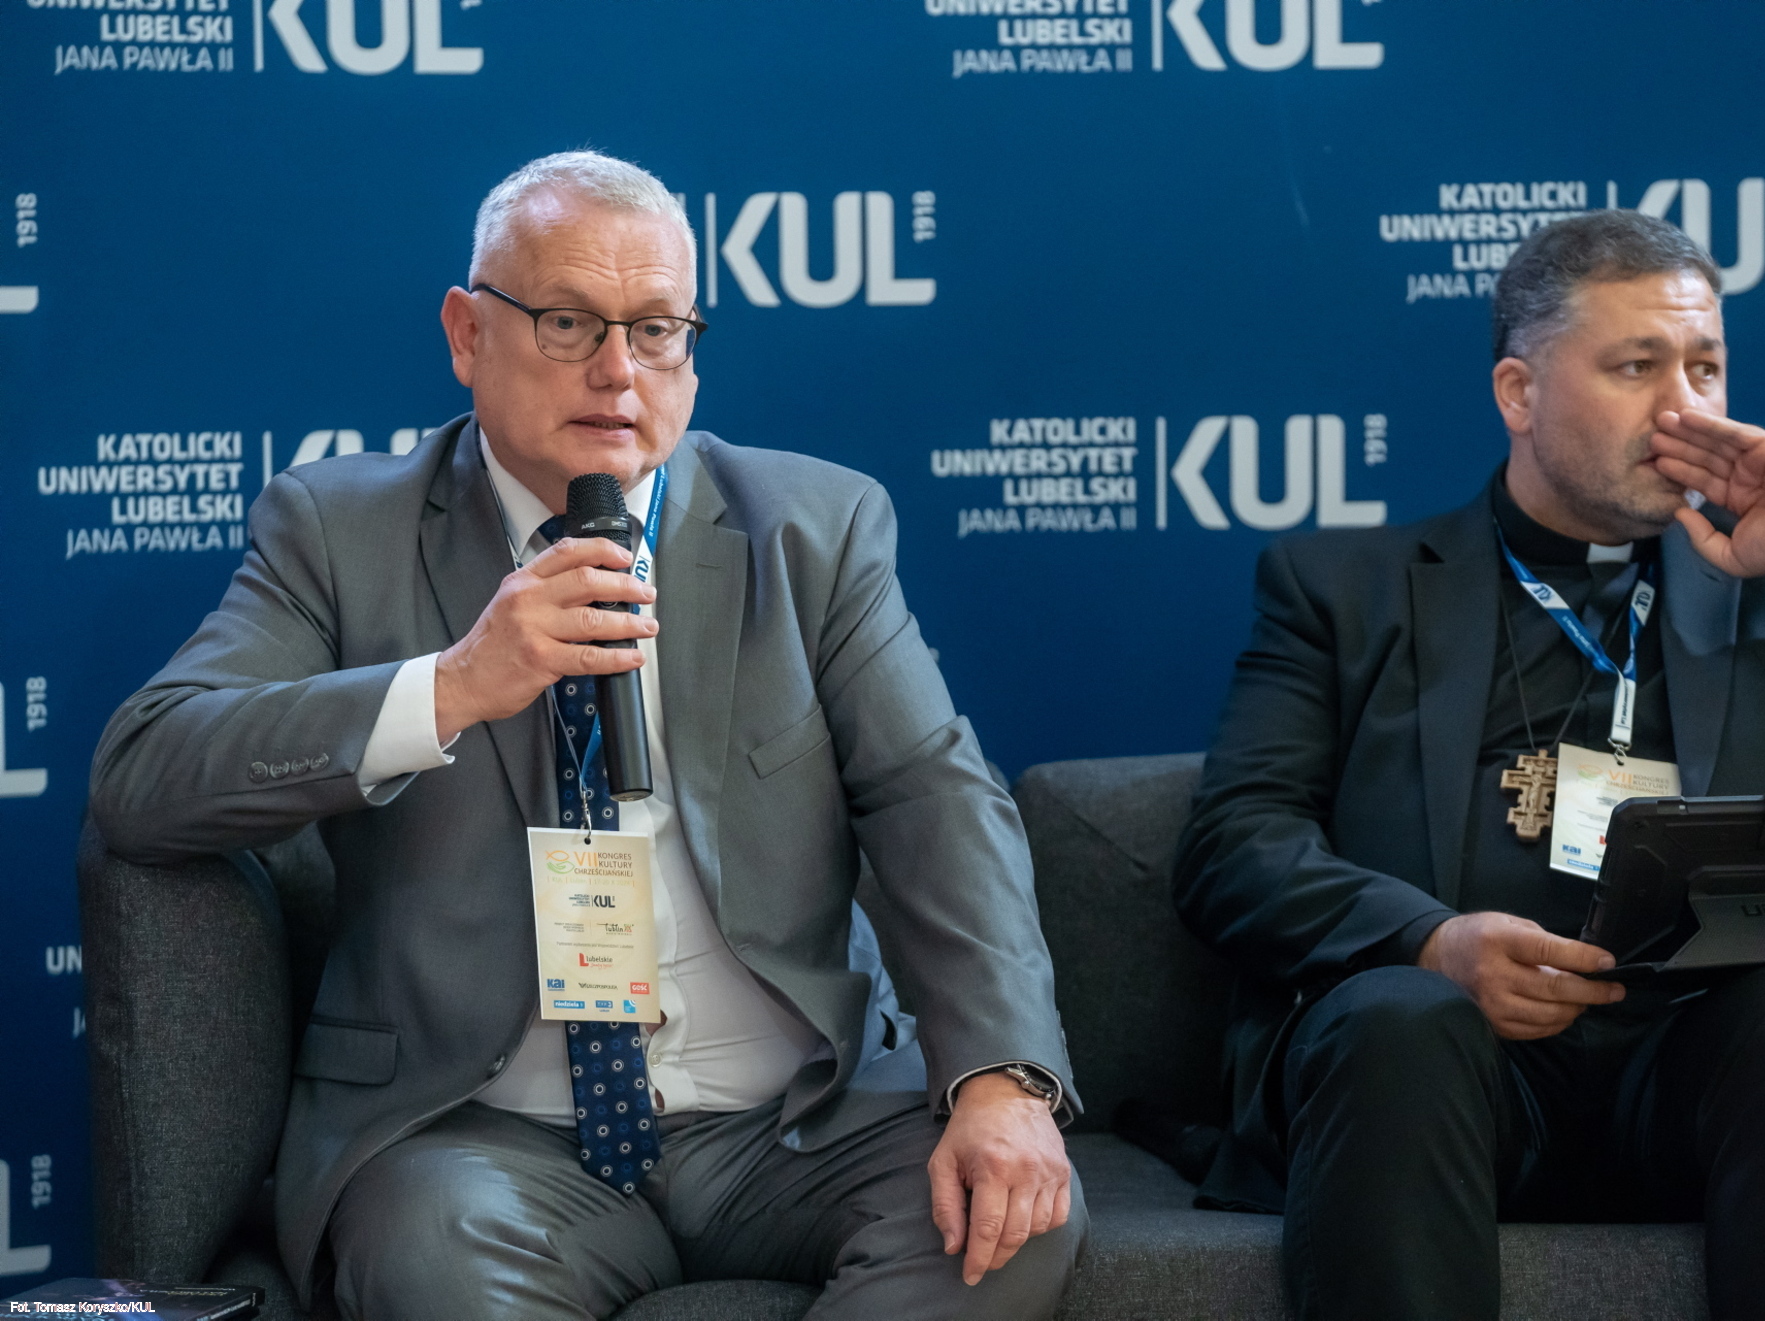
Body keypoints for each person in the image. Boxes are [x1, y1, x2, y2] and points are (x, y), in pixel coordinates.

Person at [90, 150, 1084, 1321]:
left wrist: (1001, 1077)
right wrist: (453, 685)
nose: (619, 370)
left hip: (796, 1123)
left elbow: (935, 796)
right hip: (485, 1138)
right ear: (467, 334)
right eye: (567, 323)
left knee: (1005, 1227)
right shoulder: (338, 530)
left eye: (657, 329)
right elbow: (144, 772)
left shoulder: (812, 530)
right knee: (433, 1264)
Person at [1172, 209, 1765, 1320]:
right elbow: (1234, 843)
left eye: (1705, 367)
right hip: (1451, 1068)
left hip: (1697, 1066)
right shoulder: (1342, 588)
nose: (1686, 408)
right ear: (1519, 392)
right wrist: (1428, 941)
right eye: (1638, 366)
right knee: (1401, 1018)